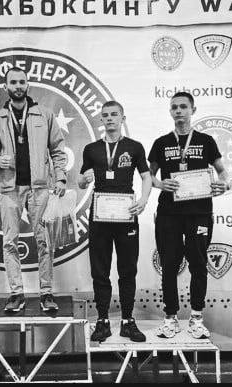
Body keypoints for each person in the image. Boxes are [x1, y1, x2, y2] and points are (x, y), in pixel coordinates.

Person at [0, 67, 67, 312]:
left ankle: (46, 292)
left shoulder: (45, 114)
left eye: (22, 82)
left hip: (39, 188)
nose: (18, 86)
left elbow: (58, 149)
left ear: (27, 85)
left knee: (45, 242)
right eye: (13, 82)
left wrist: (60, 178)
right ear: (5, 87)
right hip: (10, 188)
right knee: (10, 242)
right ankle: (16, 293)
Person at [148, 91, 229, 339]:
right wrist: (160, 184)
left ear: (193, 110)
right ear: (170, 112)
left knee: (198, 264)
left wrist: (225, 184)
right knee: (169, 265)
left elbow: (222, 172)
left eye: (183, 106)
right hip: (169, 213)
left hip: (199, 212)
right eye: (174, 107)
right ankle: (170, 318)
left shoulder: (206, 141)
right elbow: (148, 176)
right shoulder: (161, 143)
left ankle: (196, 317)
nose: (178, 111)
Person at [78, 101, 152, 343]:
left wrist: (143, 200)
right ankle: (102, 321)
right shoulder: (91, 149)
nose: (110, 118)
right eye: (106, 115)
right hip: (100, 215)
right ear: (101, 120)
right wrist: (84, 180)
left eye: (114, 114)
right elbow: (81, 181)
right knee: (100, 270)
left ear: (123, 118)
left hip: (126, 214)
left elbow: (146, 177)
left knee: (127, 269)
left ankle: (128, 321)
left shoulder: (134, 147)